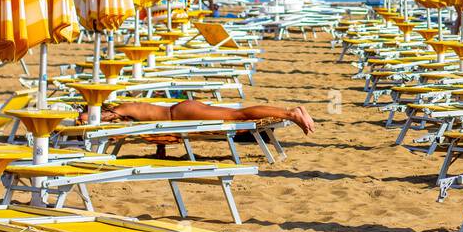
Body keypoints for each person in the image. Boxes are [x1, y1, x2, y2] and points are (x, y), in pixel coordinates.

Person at [78, 99, 316, 135]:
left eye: (83, 115)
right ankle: (291, 112)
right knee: (236, 115)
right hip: (180, 113)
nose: (82, 120)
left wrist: (86, 122)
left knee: (237, 115)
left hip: (180, 114)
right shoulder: (121, 110)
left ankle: (290, 113)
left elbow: (108, 120)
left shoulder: (118, 110)